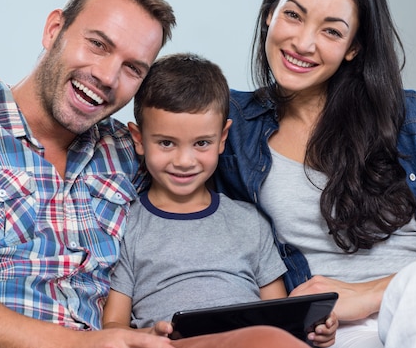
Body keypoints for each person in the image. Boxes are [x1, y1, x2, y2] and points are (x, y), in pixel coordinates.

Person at [0, 0, 306, 348]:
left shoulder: (126, 150)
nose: (108, 76)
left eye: (133, 68)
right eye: (97, 44)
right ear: (54, 29)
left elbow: (202, 149)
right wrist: (78, 344)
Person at [213, 0, 416, 348]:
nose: (303, 43)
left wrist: (369, 294)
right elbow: (155, 136)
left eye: (332, 30)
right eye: (293, 14)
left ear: (353, 48)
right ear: (269, 12)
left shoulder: (413, 119)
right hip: (328, 333)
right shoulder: (231, 124)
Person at [101, 53, 337, 347]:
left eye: (201, 143)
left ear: (222, 137)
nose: (184, 161)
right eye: (166, 143)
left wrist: (314, 330)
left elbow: (278, 316)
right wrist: (147, 336)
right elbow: (112, 325)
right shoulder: (128, 225)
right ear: (138, 139)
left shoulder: (250, 221)